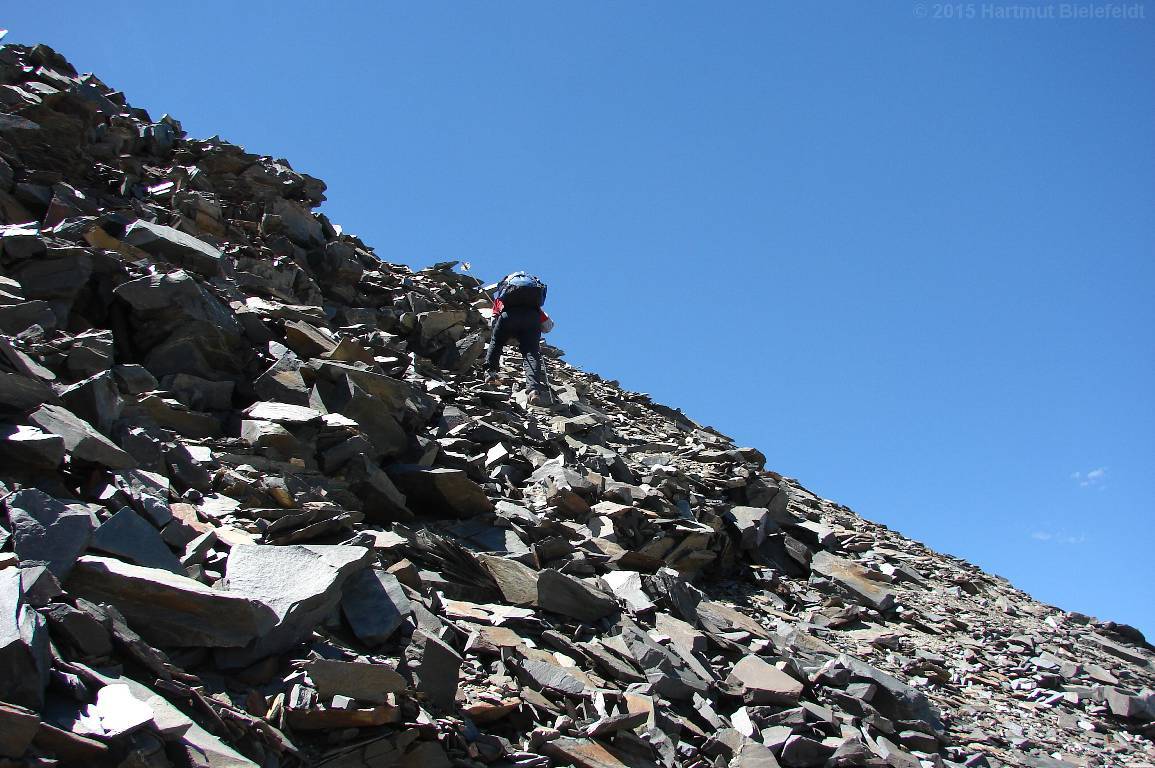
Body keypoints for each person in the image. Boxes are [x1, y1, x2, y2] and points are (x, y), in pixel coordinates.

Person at [483, 271, 553, 404]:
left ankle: (490, 374)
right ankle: (533, 390)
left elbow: (493, 320)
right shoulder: (535, 307)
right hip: (532, 319)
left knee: (496, 341)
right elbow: (549, 327)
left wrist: (502, 329)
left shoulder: (502, 299)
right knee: (531, 354)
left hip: (508, 316)